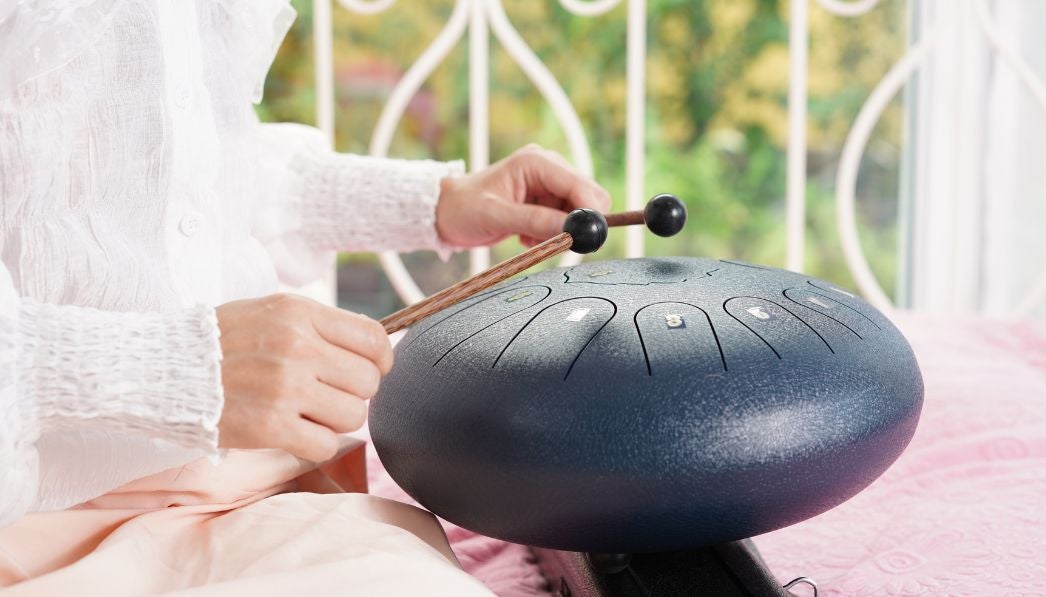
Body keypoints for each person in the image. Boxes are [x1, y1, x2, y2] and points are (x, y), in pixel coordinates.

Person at [0, 1, 609, 593]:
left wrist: (437, 202)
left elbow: (180, 169)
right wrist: (176, 370)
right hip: (35, 525)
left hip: (246, 494)